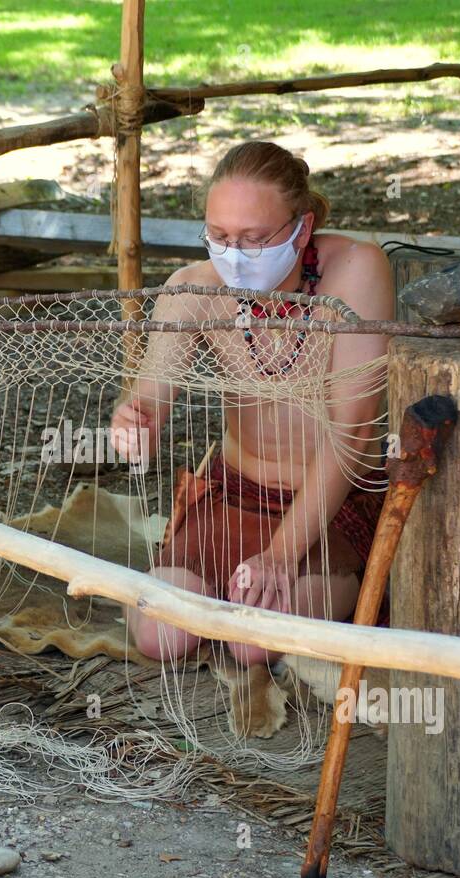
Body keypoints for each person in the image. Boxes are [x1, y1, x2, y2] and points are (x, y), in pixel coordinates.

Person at [109, 140, 394, 667]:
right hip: (233, 496)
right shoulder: (192, 289)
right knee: (159, 636)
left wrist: (281, 559)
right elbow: (147, 398)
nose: (234, 255)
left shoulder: (357, 268)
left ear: (303, 228)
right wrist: (133, 423)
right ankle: (235, 586)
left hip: (327, 506)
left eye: (255, 239)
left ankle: (336, 583)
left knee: (251, 643)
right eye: (219, 236)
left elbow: (352, 437)